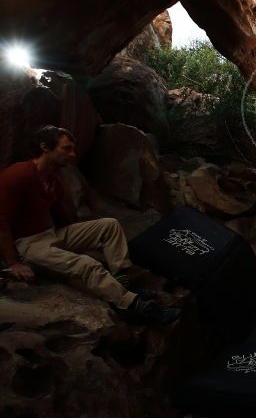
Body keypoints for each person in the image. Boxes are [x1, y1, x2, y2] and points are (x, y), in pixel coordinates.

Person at [0, 125, 180, 324]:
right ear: (45, 147)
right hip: (27, 245)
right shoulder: (18, 174)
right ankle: (133, 305)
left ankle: (122, 279)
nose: (73, 154)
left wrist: (74, 230)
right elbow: (1, 221)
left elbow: (62, 218)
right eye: (66, 148)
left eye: (73, 149)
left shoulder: (54, 180)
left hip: (50, 235)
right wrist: (12, 262)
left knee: (109, 225)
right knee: (86, 264)